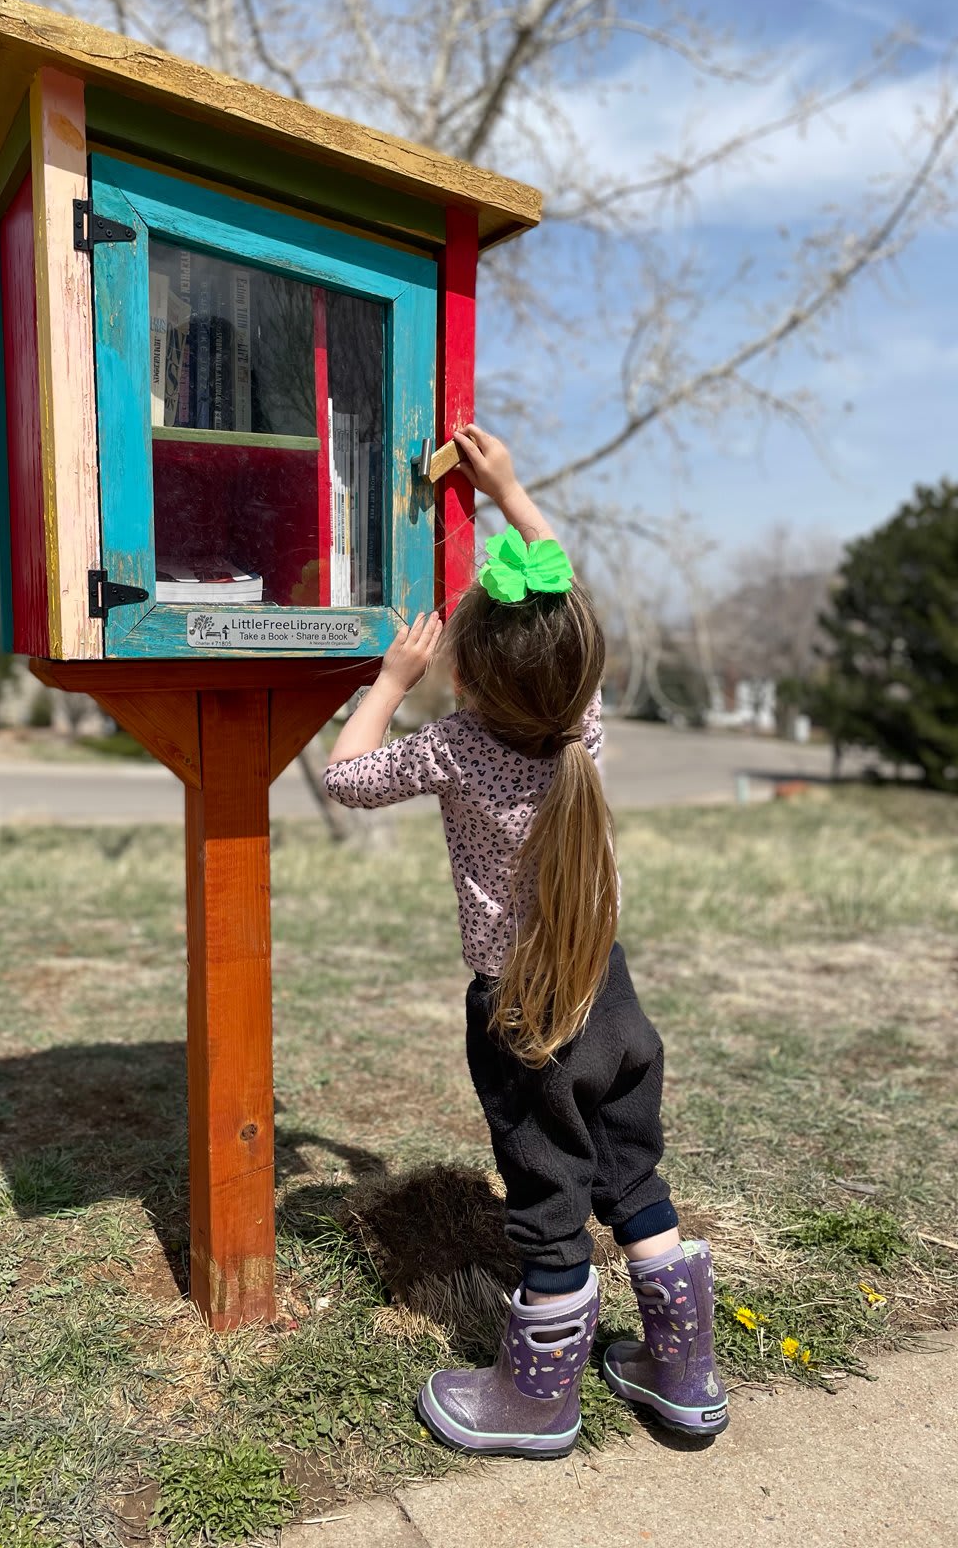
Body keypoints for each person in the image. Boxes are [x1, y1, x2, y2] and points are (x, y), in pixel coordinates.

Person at [321, 425, 727, 1459]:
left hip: (524, 1013)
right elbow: (563, 604)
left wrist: (388, 681)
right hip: (614, 998)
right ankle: (682, 1373)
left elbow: (347, 777)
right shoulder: (578, 725)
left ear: (463, 676)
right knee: (631, 1179)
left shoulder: (456, 746)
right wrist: (512, 493)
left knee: (547, 1202)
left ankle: (537, 1401)